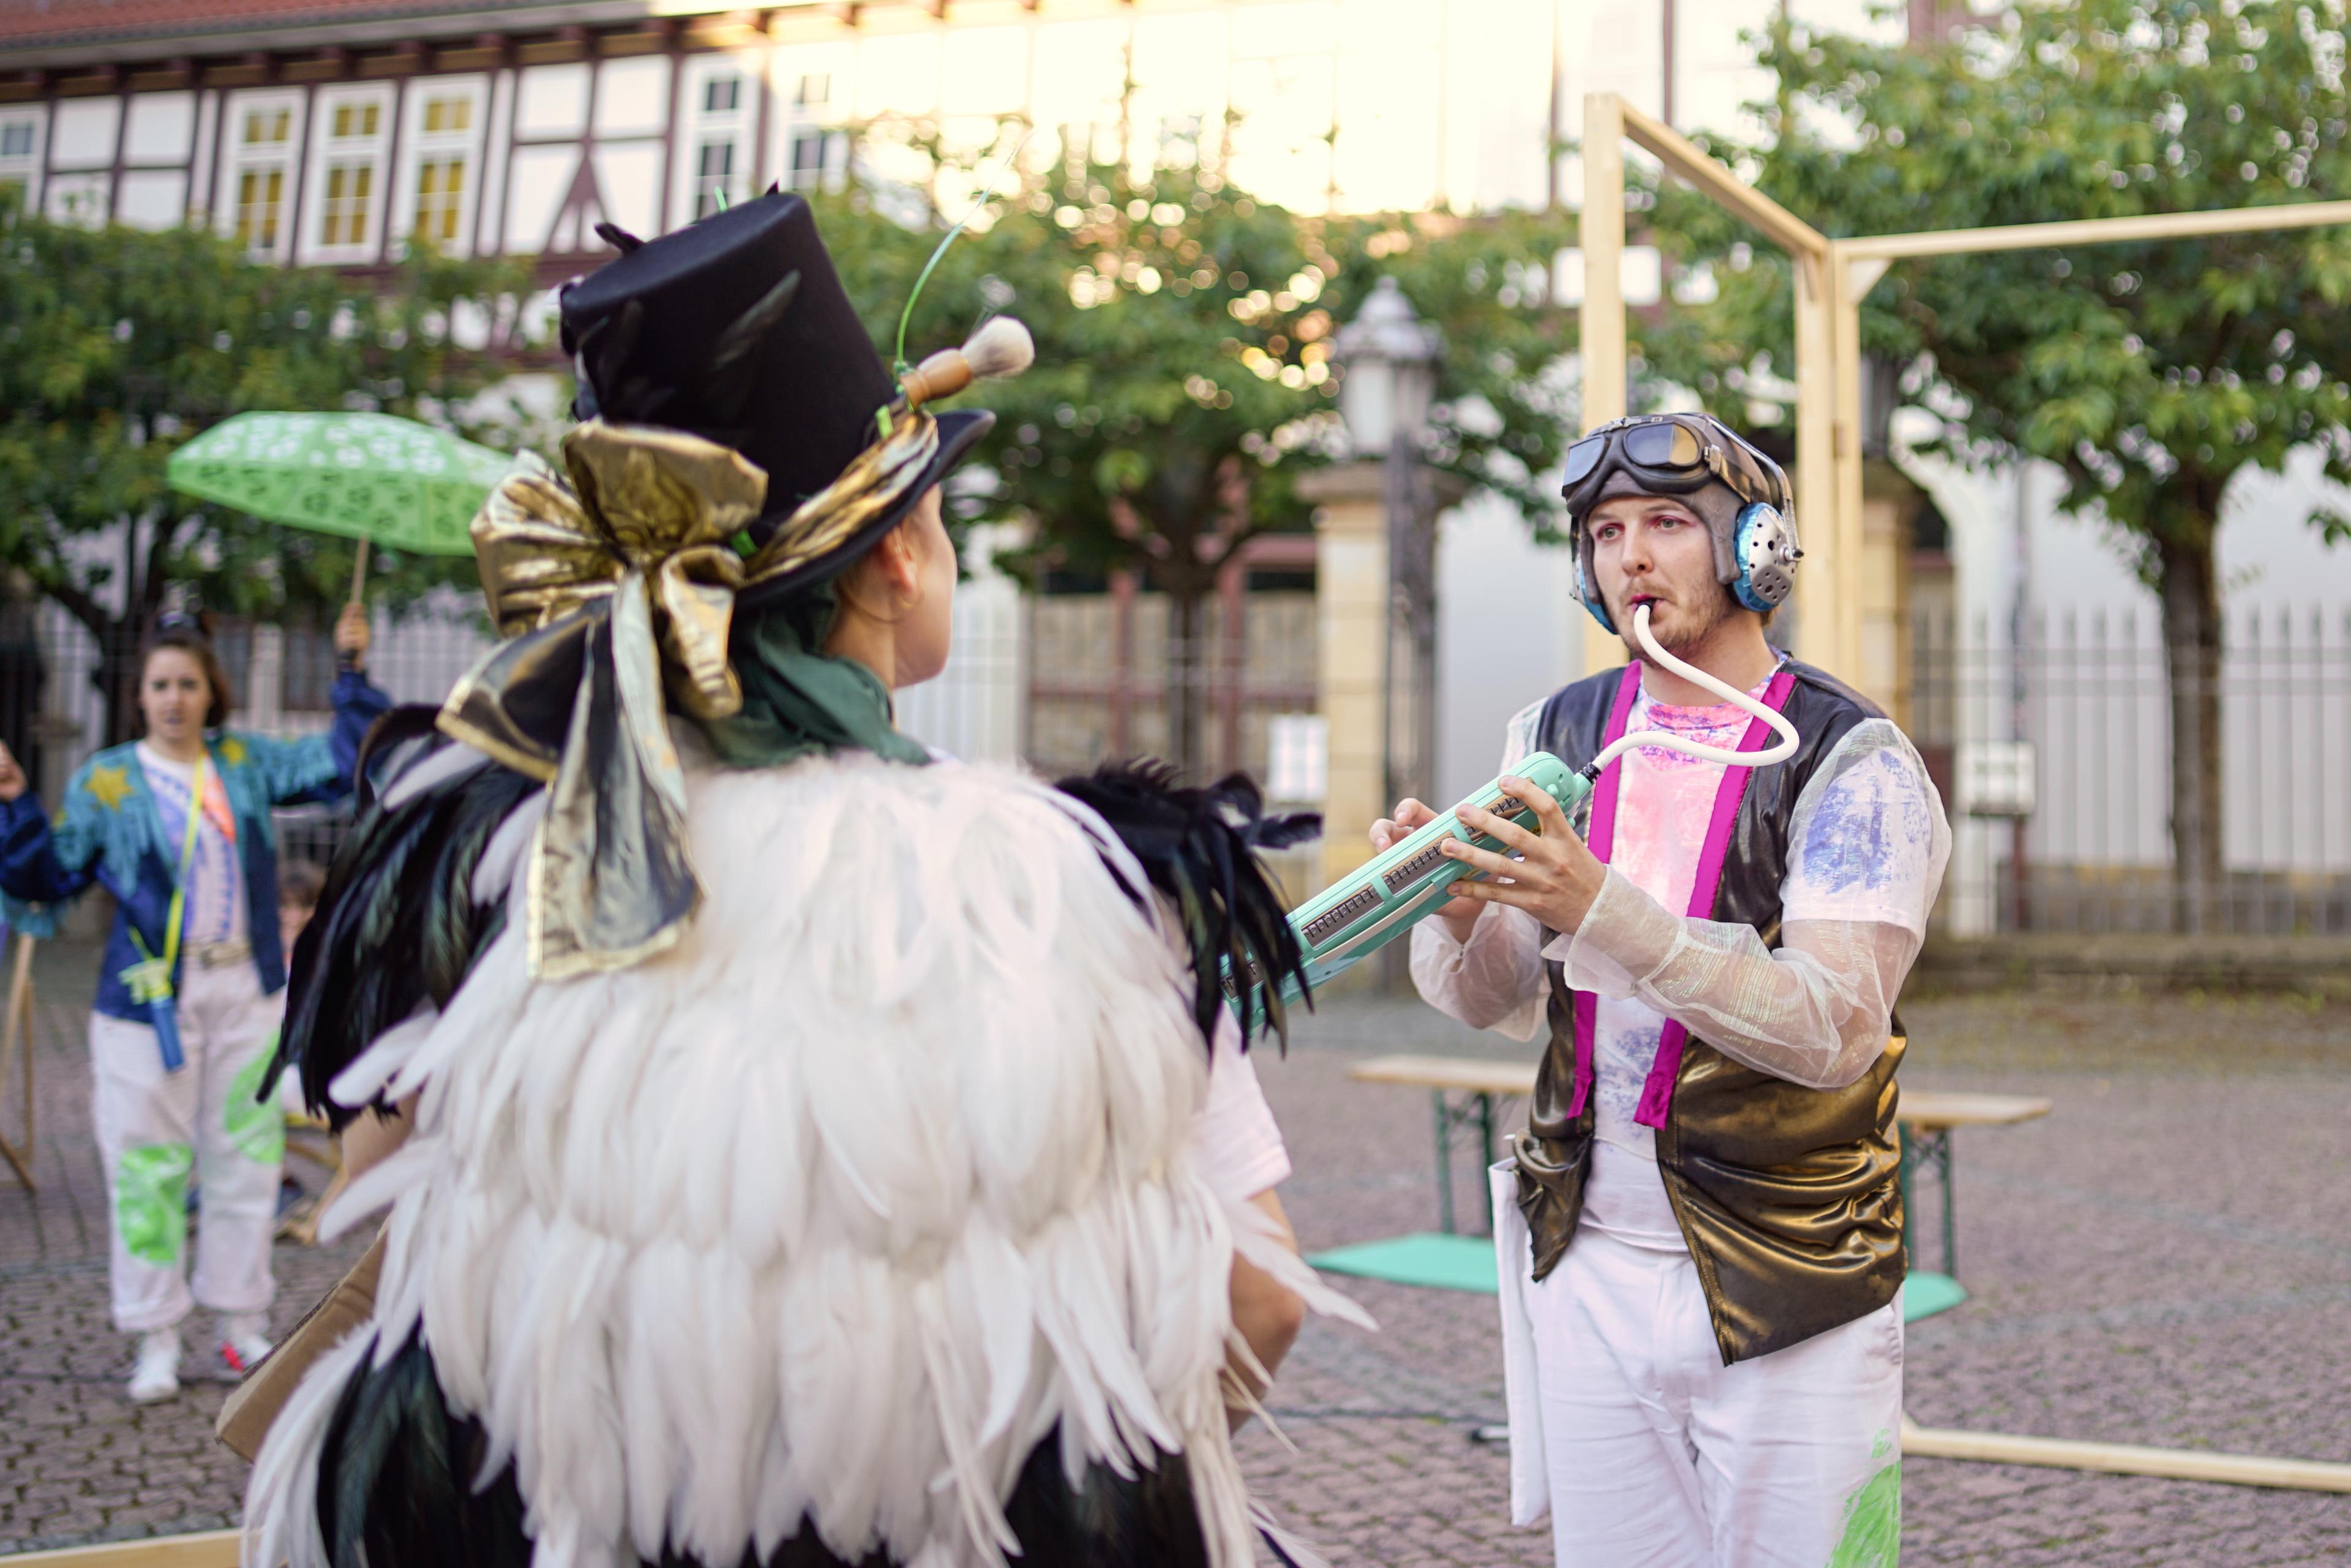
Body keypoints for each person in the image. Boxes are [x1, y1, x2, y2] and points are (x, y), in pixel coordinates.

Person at [238, 190, 1360, 1568]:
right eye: (938, 515)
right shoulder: (1072, 894)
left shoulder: (497, 855)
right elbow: (1258, 1302)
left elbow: (379, 1189)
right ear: (893, 555)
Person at [1377, 412, 1949, 1568]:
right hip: (1585, 1254)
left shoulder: (1851, 756)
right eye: (1605, 531)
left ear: (1757, 550)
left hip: (1794, 1268)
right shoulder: (1555, 734)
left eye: (1669, 524)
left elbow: (1834, 1025)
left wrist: (1600, 905)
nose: (1631, 555)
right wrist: (1455, 907)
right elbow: (1496, 999)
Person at [0, 607, 388, 1401]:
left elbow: (350, 759)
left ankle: (243, 1327)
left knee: (245, 1162)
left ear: (213, 691)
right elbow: (51, 874)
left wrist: (348, 671)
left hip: (244, 996)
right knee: (146, 1168)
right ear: (140, 696)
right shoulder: (106, 779)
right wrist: (12, 803)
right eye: (159, 685)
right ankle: (155, 1337)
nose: (174, 698)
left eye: (188, 683)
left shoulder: (243, 763)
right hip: (145, 1009)